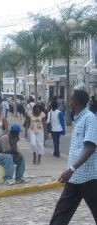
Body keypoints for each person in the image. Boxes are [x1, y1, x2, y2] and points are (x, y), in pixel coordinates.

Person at [50, 90, 97, 225]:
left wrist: (71, 169)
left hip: (89, 178)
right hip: (75, 179)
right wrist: (72, 171)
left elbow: (90, 148)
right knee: (60, 214)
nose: (68, 103)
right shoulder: (79, 119)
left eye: (70, 100)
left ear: (75, 102)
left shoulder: (90, 118)